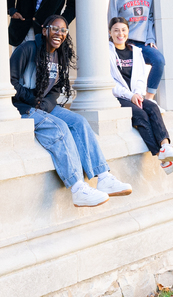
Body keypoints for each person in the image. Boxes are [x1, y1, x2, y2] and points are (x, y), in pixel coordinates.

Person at [10, 14, 133, 207]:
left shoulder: (60, 55)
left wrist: (45, 104)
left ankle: (103, 176)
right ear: (45, 30)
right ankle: (77, 187)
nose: (59, 33)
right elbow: (10, 81)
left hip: (43, 106)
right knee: (59, 128)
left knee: (79, 122)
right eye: (55, 28)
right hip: (22, 107)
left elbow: (57, 89)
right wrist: (33, 100)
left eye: (63, 30)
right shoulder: (28, 49)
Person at [108, 17, 173, 175]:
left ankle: (166, 147)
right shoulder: (106, 52)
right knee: (140, 114)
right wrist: (130, 95)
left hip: (134, 94)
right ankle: (163, 160)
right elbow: (109, 81)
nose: (120, 33)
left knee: (151, 106)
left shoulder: (135, 51)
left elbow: (140, 77)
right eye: (116, 30)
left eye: (123, 30)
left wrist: (138, 93)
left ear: (128, 32)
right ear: (110, 32)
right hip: (118, 96)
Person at [107, 0, 165, 101]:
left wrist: (151, 39)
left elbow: (151, 18)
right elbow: (112, 22)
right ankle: (131, 98)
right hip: (126, 43)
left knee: (159, 61)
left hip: (144, 43)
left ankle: (149, 99)